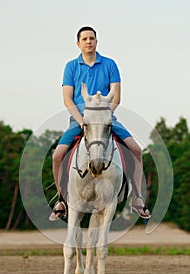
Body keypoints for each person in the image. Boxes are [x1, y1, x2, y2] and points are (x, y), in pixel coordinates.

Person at [49, 26, 150, 221]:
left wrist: (103, 118)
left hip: (107, 119)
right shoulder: (71, 66)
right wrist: (82, 121)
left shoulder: (110, 64)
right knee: (57, 155)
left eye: (92, 38)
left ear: (96, 41)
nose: (89, 41)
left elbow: (116, 97)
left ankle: (137, 197)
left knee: (136, 150)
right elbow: (67, 99)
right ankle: (61, 200)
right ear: (78, 43)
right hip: (79, 121)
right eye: (85, 39)